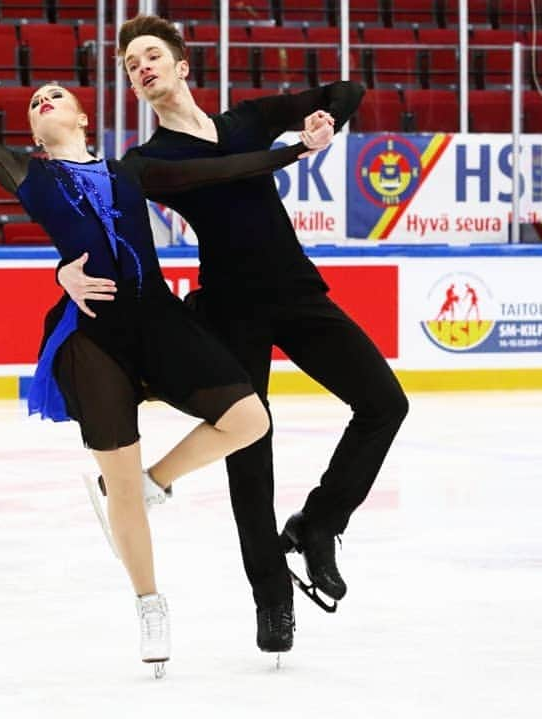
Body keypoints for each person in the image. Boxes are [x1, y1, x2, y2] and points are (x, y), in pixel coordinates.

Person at [0, 55, 333, 673]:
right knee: (117, 479)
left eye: (55, 93)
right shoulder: (29, 174)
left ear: (81, 116)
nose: (44, 98)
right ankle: (149, 602)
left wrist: (290, 154)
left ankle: (157, 482)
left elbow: (221, 168)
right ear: (35, 133)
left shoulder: (133, 170)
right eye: (34, 101)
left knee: (249, 419)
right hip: (93, 335)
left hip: (159, 320)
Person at [59, 15, 409, 655]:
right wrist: (64, 270)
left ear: (181, 65)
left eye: (151, 55)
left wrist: (324, 122)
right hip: (229, 309)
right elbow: (197, 183)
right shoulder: (148, 162)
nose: (141, 67)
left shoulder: (245, 119)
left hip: (296, 291)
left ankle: (318, 524)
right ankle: (272, 600)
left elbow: (347, 90)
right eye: (131, 63)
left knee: (386, 403)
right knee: (252, 457)